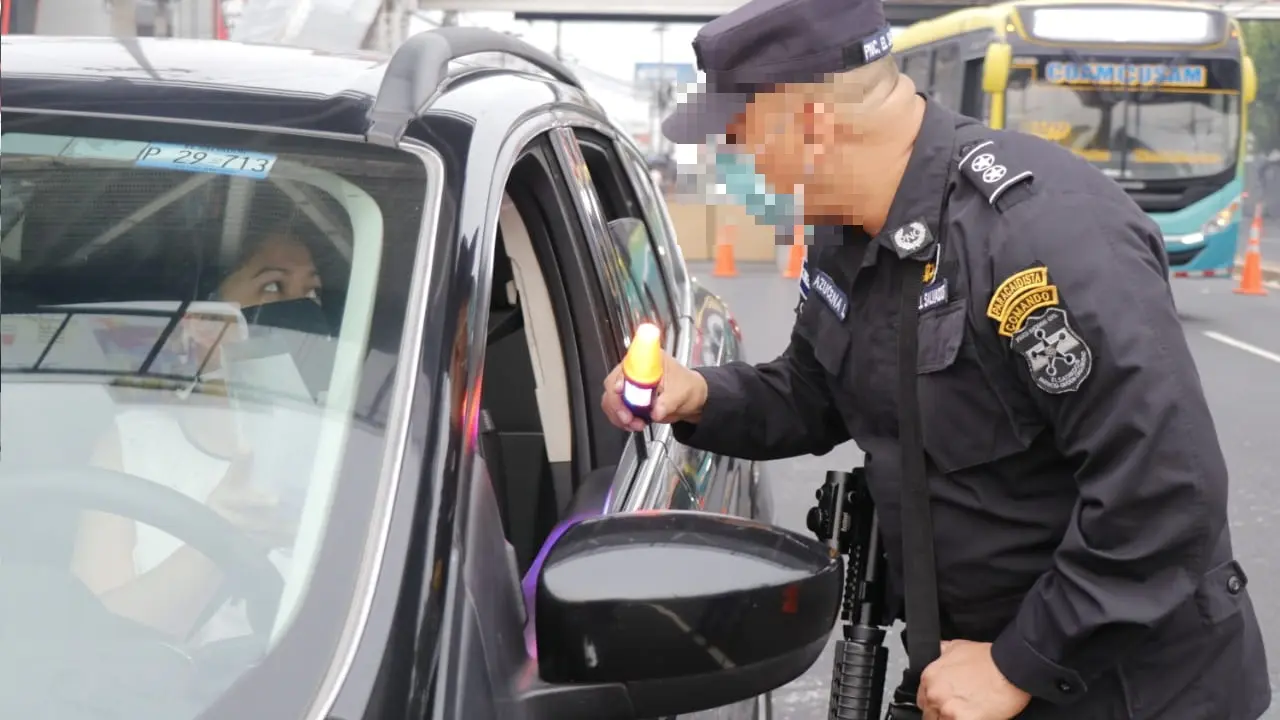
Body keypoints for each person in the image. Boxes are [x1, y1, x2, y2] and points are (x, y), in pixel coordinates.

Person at [599, 0, 1271, 718]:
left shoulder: (1039, 232)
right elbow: (814, 393)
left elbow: (1167, 491)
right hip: (965, 666)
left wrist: (1021, 663)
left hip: (1119, 688)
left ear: (810, 123)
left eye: (740, 138)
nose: (743, 164)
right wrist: (696, 392)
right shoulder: (850, 231)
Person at [71, 229, 326, 644]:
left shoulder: (344, 450)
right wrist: (221, 538)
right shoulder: (132, 444)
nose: (301, 311)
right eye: (273, 286)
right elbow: (94, 640)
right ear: (203, 325)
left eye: (311, 294)